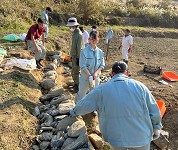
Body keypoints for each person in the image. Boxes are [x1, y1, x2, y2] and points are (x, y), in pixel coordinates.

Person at [70, 61, 162, 150]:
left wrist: (73, 111)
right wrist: (157, 127)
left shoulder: (101, 89)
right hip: (141, 137)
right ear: (126, 73)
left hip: (115, 138)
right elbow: (153, 109)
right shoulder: (140, 87)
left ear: (112, 73)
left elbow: (85, 104)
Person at [75, 31, 105, 103]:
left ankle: (92, 109)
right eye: (92, 39)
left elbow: (102, 65)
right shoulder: (84, 51)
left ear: (98, 40)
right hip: (85, 77)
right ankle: (77, 109)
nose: (93, 41)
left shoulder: (100, 52)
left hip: (95, 78)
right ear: (89, 39)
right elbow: (82, 65)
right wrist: (89, 75)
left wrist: (96, 74)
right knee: (81, 94)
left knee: (94, 94)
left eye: (95, 39)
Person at [66, 17, 83, 92]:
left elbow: (79, 47)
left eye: (70, 26)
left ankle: (77, 86)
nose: (70, 28)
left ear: (74, 26)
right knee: (74, 70)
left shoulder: (79, 34)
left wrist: (78, 58)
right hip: (74, 56)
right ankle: (76, 84)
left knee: (76, 71)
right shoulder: (75, 33)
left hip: (77, 56)